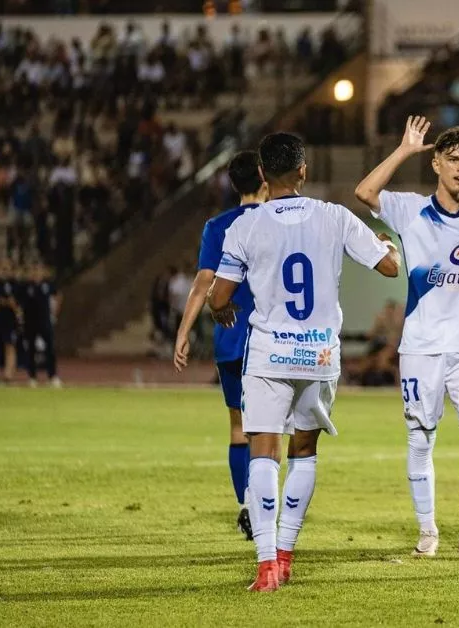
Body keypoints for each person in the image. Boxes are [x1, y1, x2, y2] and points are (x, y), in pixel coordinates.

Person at [207, 132, 401, 592]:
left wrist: (220, 308)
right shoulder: (334, 216)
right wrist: (387, 246)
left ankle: (266, 565)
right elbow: (390, 267)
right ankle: (287, 553)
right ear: (303, 170)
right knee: (305, 452)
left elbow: (218, 295)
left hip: (269, 354)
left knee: (263, 452)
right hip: (318, 354)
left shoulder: (245, 226)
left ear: (262, 174)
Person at [353, 117, 459, 559]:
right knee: (421, 439)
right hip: (421, 347)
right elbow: (365, 192)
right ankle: (427, 531)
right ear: (436, 163)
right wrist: (404, 150)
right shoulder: (410, 209)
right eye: (453, 159)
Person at [173, 150, 269, 541]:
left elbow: (202, 282)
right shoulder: (276, 220)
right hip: (272, 339)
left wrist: (183, 331)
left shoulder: (217, 226)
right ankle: (265, 506)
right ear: (265, 177)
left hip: (230, 338)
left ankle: (246, 505)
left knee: (238, 426)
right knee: (272, 429)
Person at [21, 264, 60, 387]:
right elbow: (19, 302)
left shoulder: (48, 285)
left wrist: (54, 312)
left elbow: (58, 295)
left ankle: (52, 376)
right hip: (30, 322)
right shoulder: (25, 286)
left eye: (38, 270)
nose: (36, 273)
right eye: (34, 270)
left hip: (45, 321)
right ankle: (32, 377)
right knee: (31, 350)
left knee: (50, 348)